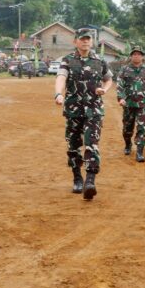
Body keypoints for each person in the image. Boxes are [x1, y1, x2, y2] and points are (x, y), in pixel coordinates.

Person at [54, 28, 114, 200]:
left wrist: (105, 89)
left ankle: (90, 181)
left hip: (94, 110)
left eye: (88, 39)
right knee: (73, 146)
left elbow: (109, 79)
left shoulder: (99, 61)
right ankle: (77, 178)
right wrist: (58, 94)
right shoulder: (68, 60)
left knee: (91, 143)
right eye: (82, 39)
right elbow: (61, 77)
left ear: (92, 41)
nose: (85, 41)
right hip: (73, 110)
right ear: (75, 42)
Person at [116, 45, 145, 163]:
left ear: (142, 57)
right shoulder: (124, 69)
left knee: (141, 128)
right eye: (134, 54)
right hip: (128, 104)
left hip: (142, 104)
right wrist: (120, 98)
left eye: (139, 54)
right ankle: (128, 144)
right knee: (127, 128)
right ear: (131, 56)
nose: (136, 56)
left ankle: (139, 151)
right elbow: (120, 85)